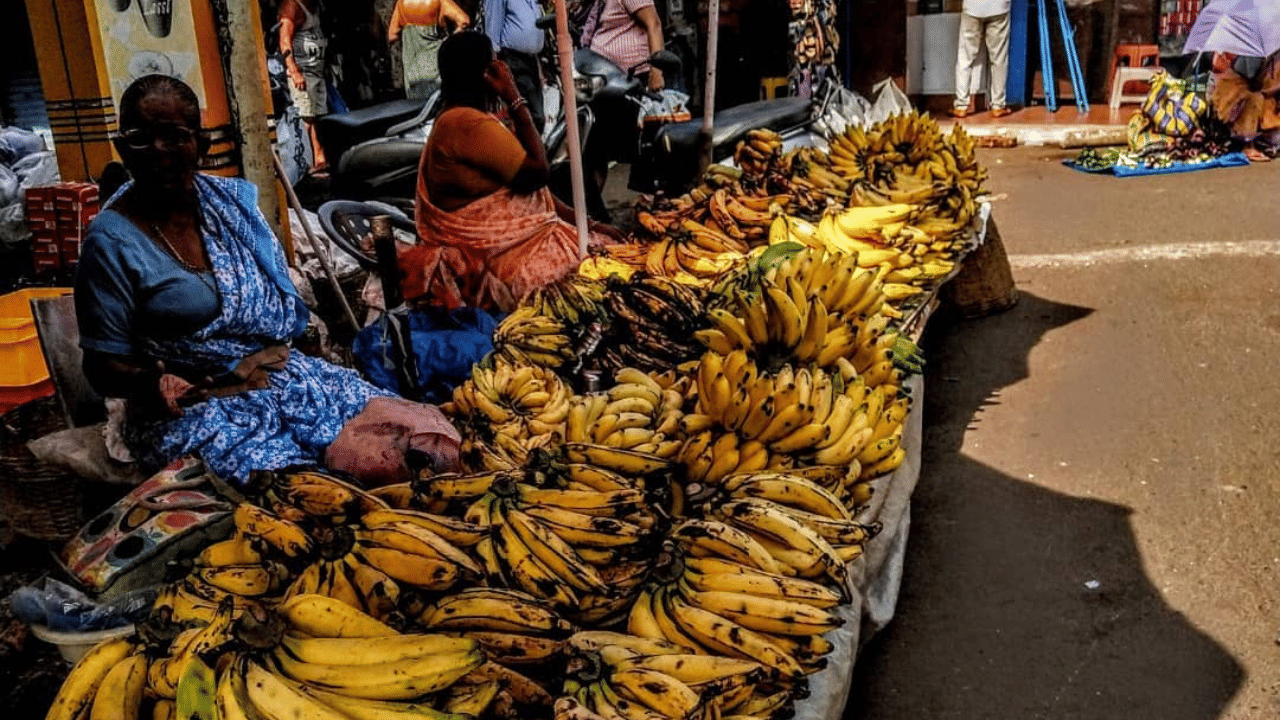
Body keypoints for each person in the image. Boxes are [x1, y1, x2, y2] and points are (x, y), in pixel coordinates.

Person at [75, 74, 460, 485]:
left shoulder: (229, 209)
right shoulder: (111, 241)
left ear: (200, 146)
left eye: (173, 137)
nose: (157, 152)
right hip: (200, 410)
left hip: (284, 379)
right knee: (317, 490)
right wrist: (153, 382)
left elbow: (279, 307)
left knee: (429, 444)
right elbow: (101, 366)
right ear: (120, 148)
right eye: (139, 139)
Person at [402, 31, 620, 312]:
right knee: (600, 282)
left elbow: (537, 196)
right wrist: (514, 97)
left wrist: (591, 226)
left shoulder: (464, 119)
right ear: (485, 73)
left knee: (610, 251)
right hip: (499, 259)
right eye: (495, 64)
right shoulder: (464, 123)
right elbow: (538, 173)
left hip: (521, 244)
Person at [279, 0, 329, 176]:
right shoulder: (292, 6)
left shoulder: (314, 6)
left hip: (317, 72)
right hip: (302, 71)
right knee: (306, 118)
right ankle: (309, 161)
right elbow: (284, 39)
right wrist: (294, 70)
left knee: (317, 115)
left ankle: (318, 157)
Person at [388, 0, 472, 100]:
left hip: (413, 72)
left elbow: (392, 36)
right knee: (438, 104)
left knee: (418, 108)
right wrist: (449, 41)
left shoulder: (401, 3)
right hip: (436, 64)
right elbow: (464, 20)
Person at [483, 0, 546, 132]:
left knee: (535, 116)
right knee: (531, 115)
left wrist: (539, 69)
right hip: (513, 59)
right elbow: (492, 30)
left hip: (531, 60)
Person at [1208, 51, 1279, 162]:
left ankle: (1262, 142)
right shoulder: (1225, 52)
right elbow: (1249, 72)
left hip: (1257, 91)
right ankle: (1248, 145)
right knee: (1254, 99)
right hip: (1229, 94)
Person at [952, 0, 1012, 119]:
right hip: (999, 7)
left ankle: (961, 105)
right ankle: (998, 105)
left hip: (972, 8)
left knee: (965, 58)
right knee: (999, 58)